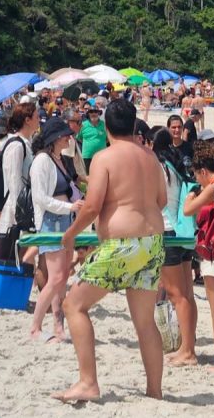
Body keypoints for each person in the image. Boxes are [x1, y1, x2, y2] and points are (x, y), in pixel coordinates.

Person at [55, 99, 167, 402]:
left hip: (123, 245)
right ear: (134, 125)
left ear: (105, 126)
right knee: (144, 322)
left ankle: (88, 383)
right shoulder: (151, 158)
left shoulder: (104, 157)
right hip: (152, 242)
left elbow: (91, 207)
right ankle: (154, 391)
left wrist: (70, 234)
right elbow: (162, 201)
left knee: (73, 305)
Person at [28, 117, 83, 343]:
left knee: (62, 278)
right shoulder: (42, 161)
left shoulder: (60, 159)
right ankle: (35, 327)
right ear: (55, 138)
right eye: (65, 135)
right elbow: (40, 198)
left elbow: (70, 189)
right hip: (51, 222)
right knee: (56, 277)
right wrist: (71, 206)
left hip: (66, 220)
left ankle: (58, 325)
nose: (70, 138)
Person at [151, 127, 199, 367]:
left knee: (176, 295)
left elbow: (155, 201)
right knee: (187, 293)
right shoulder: (176, 165)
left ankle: (188, 351)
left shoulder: (157, 167)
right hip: (183, 231)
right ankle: (189, 345)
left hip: (168, 231)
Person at [182, 144, 214, 374]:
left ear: (203, 171)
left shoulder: (213, 186)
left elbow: (188, 210)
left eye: (196, 175)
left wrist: (191, 194)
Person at [0, 103, 39, 235]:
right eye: (37, 117)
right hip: (17, 208)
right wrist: (20, 212)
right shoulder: (17, 145)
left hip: (25, 204)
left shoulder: (27, 142)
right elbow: (14, 180)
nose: (39, 120)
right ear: (27, 120)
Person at [77, 106, 107, 173]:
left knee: (102, 174)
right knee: (88, 177)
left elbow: (108, 139)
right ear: (88, 114)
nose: (93, 113)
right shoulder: (83, 125)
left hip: (102, 156)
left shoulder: (104, 125)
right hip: (87, 156)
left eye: (95, 111)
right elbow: (79, 138)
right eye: (91, 112)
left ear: (99, 113)